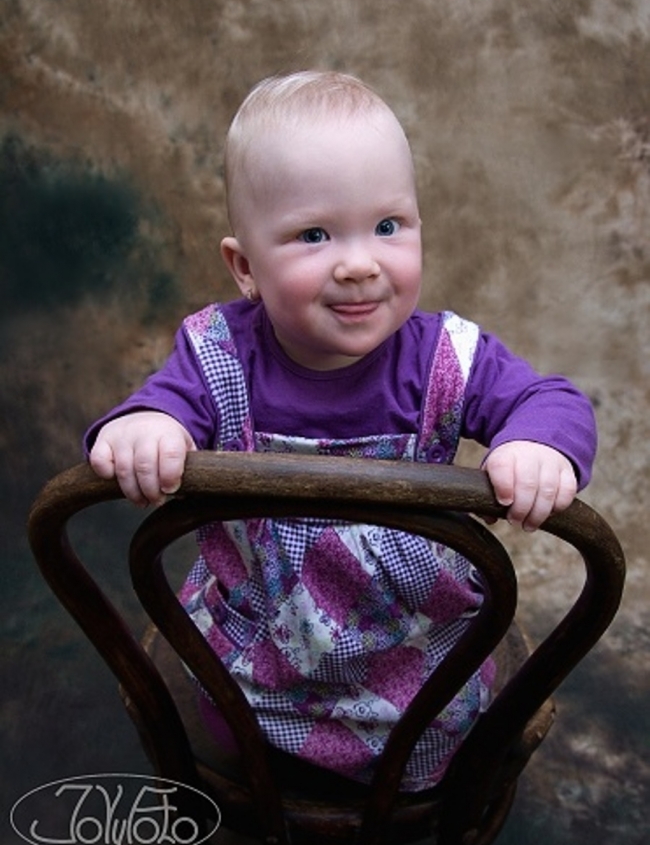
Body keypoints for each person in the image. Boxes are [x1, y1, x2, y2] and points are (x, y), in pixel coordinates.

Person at [85, 71, 596, 791]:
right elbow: (156, 408)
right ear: (245, 267)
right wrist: (147, 427)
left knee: (439, 729)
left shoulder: (446, 359)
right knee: (234, 732)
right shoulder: (220, 355)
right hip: (256, 650)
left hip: (411, 651)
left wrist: (537, 443)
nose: (359, 264)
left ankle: (390, 776)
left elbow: (551, 400)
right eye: (314, 235)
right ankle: (269, 768)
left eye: (388, 226)